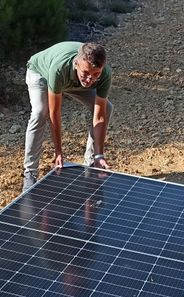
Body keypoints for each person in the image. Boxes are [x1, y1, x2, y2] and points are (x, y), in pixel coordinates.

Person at [22, 41, 113, 191]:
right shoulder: (60, 69)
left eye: (95, 74)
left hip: (72, 81)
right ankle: (30, 173)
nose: (90, 79)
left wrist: (100, 154)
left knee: (107, 108)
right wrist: (58, 152)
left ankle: (92, 163)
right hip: (41, 74)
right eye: (86, 73)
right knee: (40, 112)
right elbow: (54, 113)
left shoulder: (104, 74)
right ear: (77, 64)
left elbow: (99, 116)